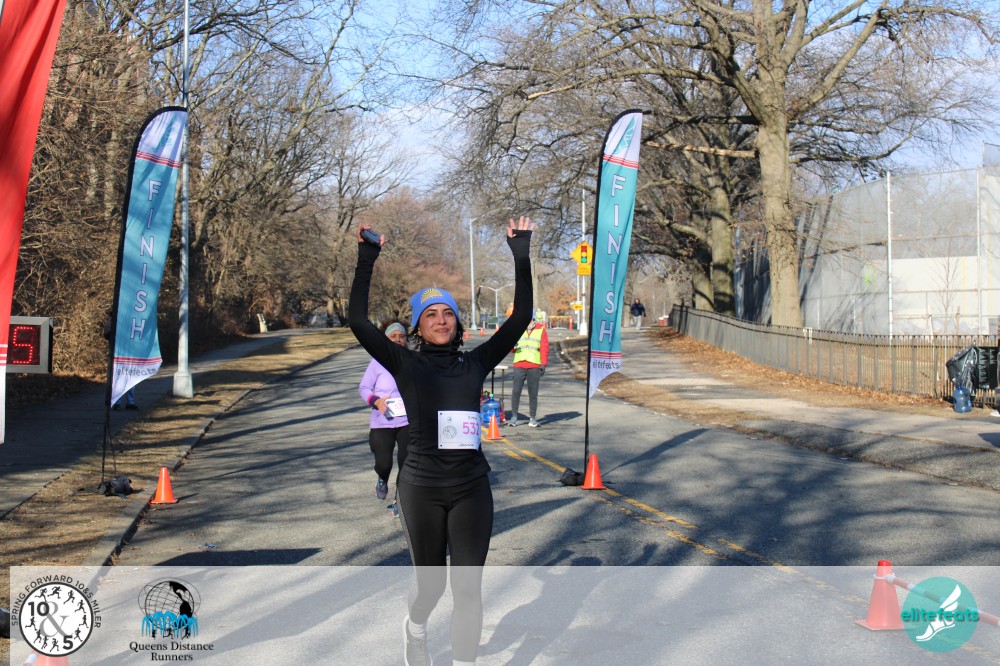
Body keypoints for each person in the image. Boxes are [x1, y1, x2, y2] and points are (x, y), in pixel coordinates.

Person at [349, 216, 535, 666]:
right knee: (431, 586)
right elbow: (356, 319)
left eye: (447, 312)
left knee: (468, 590)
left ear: (458, 323)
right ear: (417, 326)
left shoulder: (476, 363)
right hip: (421, 488)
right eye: (430, 314)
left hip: (471, 487)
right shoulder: (405, 364)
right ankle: (415, 628)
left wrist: (521, 255)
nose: (440, 319)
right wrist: (367, 257)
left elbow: (521, 318)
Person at [358, 322, 410, 508]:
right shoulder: (377, 362)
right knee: (383, 464)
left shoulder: (411, 360)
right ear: (386, 339)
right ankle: (382, 477)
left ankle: (400, 502)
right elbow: (364, 387)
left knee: (407, 464)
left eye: (401, 336)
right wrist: (375, 400)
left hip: (407, 422)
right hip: (382, 421)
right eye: (393, 336)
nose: (398, 339)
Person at [507, 311, 548, 428]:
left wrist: (543, 364)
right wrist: (513, 346)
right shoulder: (517, 328)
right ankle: (514, 417)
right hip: (519, 364)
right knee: (516, 392)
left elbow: (544, 347)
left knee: (533, 393)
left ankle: (533, 418)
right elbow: (511, 347)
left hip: (534, 365)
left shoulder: (541, 329)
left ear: (532, 317)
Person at [103, 311, 137, 410]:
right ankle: (118, 402)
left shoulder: (129, 324)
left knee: (129, 378)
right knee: (119, 378)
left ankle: (129, 402)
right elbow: (107, 336)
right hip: (117, 354)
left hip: (127, 354)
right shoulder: (112, 324)